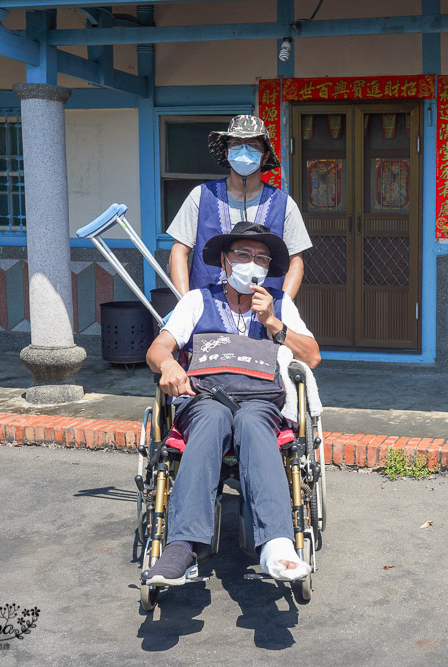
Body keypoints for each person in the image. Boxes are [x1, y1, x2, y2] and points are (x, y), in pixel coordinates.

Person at [144, 221, 321, 586]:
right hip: (205, 398)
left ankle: (276, 544)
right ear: (225, 262)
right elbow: (157, 348)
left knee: (253, 423)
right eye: (243, 254)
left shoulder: (279, 304)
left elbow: (313, 356)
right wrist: (169, 362)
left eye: (261, 258)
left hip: (259, 401)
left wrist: (272, 321)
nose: (251, 264)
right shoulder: (197, 300)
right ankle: (181, 546)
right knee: (210, 420)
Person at [166, 115, 311, 299]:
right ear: (227, 152)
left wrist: (282, 308)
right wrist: (185, 304)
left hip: (264, 313)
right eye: (236, 143)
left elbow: (296, 262)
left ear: (265, 155)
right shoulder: (201, 196)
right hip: (207, 308)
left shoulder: (284, 204)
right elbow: (179, 251)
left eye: (253, 145)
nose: (244, 150)